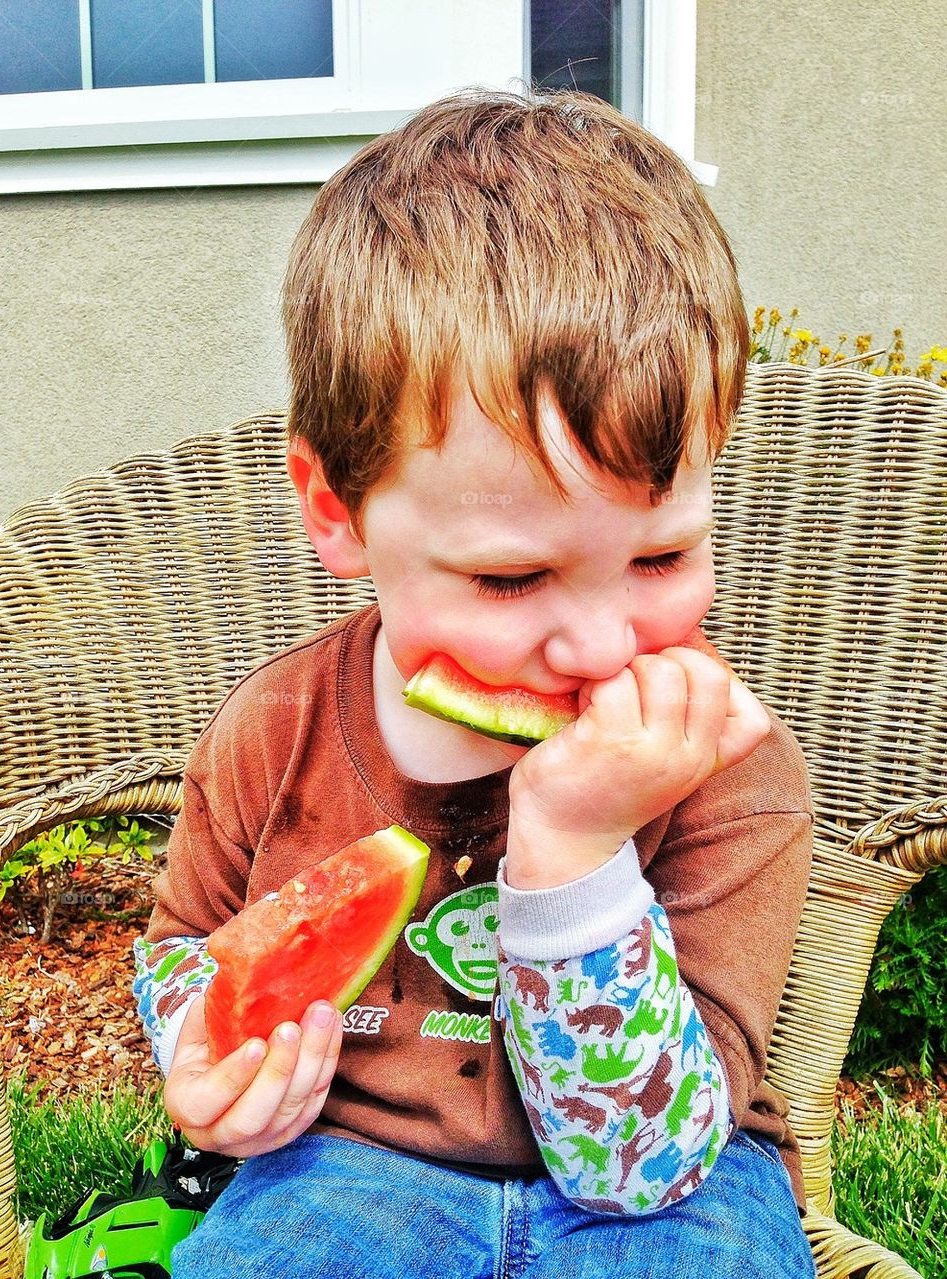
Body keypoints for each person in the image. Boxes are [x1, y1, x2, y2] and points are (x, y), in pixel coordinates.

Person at [132, 84, 818, 1278]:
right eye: (511, 580)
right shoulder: (276, 729)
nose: (603, 647)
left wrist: (570, 849)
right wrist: (208, 1058)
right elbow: (191, 946)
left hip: (678, 1192)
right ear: (336, 514)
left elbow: (639, 1165)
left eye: (661, 555)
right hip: (347, 1164)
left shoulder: (734, 771)